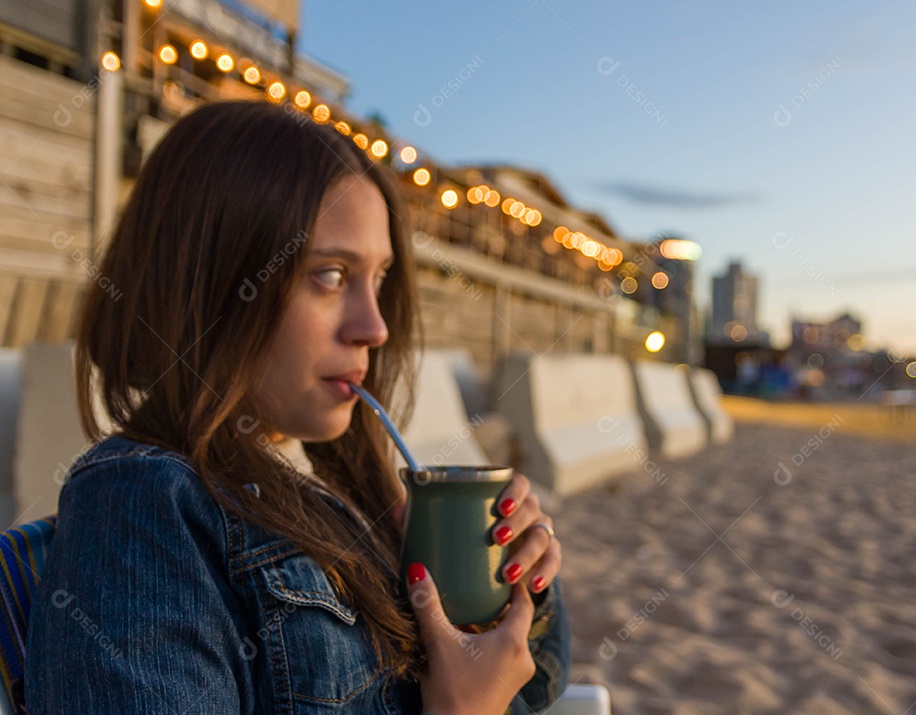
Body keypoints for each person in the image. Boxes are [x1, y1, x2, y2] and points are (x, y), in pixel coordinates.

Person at [25, 101, 569, 714]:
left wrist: (518, 584)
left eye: (380, 279)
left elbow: (536, 685)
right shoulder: (144, 506)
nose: (376, 327)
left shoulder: (346, 484)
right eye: (331, 276)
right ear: (212, 285)